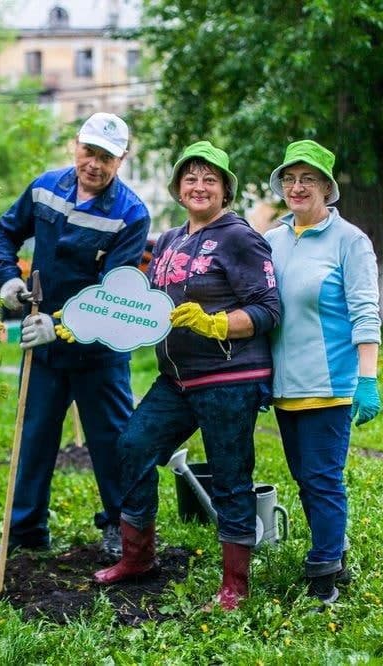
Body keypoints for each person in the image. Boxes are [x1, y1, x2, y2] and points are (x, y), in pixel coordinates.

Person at [91, 141, 280, 612]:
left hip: (228, 379)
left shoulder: (240, 237)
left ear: (225, 191)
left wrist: (217, 323)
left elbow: (268, 309)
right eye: (191, 178)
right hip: (176, 379)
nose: (200, 186)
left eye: (210, 179)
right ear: (178, 188)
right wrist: (87, 323)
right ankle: (138, 558)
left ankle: (235, 584)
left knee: (230, 477)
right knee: (133, 445)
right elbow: (145, 308)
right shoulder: (171, 240)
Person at [0, 112, 152, 559]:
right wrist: (6, 278)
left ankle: (120, 526)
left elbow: (110, 296)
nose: (94, 164)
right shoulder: (45, 188)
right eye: (89, 151)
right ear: (75, 144)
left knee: (112, 441)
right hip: (42, 351)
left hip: (98, 352)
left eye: (106, 158)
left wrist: (57, 327)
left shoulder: (130, 214)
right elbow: (4, 232)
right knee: (33, 436)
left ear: (121, 161)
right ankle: (25, 531)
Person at [263, 139, 382, 606]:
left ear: (326, 187)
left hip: (331, 385)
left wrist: (367, 379)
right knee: (306, 478)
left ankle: (324, 573)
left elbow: (365, 312)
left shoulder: (349, 241)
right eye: (290, 178)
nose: (297, 187)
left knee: (322, 478)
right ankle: (337, 551)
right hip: (284, 386)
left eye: (307, 179)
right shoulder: (271, 240)